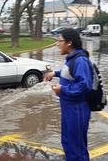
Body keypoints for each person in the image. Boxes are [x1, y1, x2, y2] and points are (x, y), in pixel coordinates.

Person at [44, 28, 92, 161]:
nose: (57, 44)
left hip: (77, 109)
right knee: (67, 142)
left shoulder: (80, 60)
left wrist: (63, 89)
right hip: (68, 107)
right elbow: (68, 72)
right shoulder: (71, 59)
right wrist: (55, 73)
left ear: (69, 42)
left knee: (76, 147)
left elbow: (84, 86)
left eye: (60, 41)